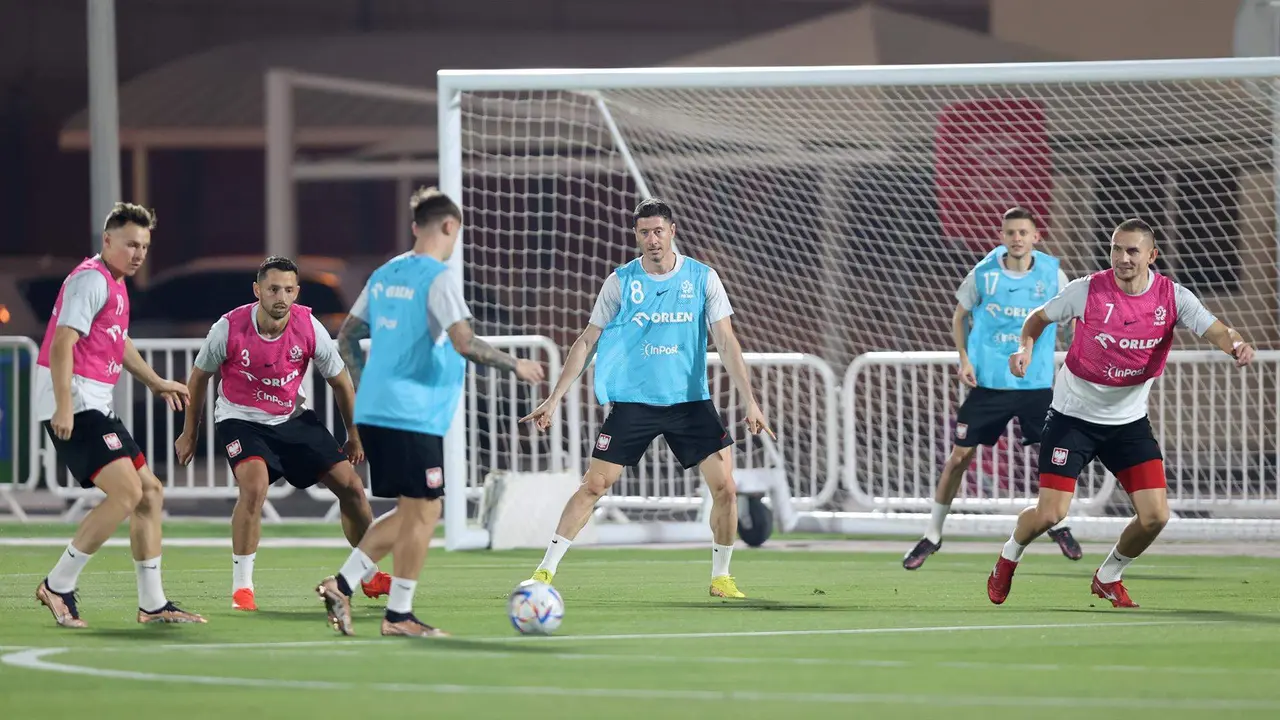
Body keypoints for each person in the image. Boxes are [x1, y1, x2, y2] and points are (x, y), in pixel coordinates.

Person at [988, 218, 1255, 607]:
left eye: (1132, 250)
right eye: (1116, 248)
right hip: (1071, 418)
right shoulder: (1087, 290)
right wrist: (1025, 348)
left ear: (1152, 255)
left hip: (1126, 423)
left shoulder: (1172, 297)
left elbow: (1216, 329)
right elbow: (1037, 319)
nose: (1123, 257)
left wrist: (1236, 344)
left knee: (1155, 517)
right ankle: (1009, 556)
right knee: (1049, 515)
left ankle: (1108, 575)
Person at [316, 186, 544, 638]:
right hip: (412, 413)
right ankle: (397, 614)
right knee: (427, 509)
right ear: (449, 227)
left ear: (416, 227)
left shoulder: (384, 274)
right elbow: (465, 342)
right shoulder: (437, 278)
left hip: (378, 410)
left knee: (415, 510)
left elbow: (347, 337)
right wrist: (514, 363)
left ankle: (342, 584)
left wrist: (369, 385)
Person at [521, 197, 774, 599]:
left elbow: (726, 340)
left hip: (689, 403)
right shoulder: (621, 281)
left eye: (658, 231)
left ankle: (722, 577)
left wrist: (751, 401)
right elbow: (587, 341)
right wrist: (554, 398)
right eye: (644, 233)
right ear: (636, 236)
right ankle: (543, 572)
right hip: (634, 403)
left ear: (672, 231)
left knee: (725, 487)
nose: (652, 239)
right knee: (594, 486)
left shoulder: (702, 278)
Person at [175, 256, 391, 611]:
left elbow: (340, 382)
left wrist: (353, 433)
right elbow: (199, 377)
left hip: (291, 418)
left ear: (297, 292)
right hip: (240, 419)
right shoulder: (228, 327)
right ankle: (242, 588)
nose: (281, 297)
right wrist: (190, 434)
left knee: (351, 487)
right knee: (255, 487)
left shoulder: (309, 326)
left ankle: (367, 576)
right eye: (273, 289)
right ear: (257, 290)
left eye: (288, 290)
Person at [34, 202, 205, 628]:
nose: (138, 253)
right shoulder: (90, 279)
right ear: (107, 241)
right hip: (76, 400)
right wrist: (64, 406)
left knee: (149, 492)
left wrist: (156, 381)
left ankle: (153, 604)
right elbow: (60, 344)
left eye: (144, 245)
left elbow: (119, 341)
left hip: (95, 403)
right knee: (127, 493)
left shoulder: (116, 283)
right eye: (131, 244)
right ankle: (58, 584)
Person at [903, 207, 1083, 570]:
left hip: (1034, 385)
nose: (1017, 238)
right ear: (1002, 236)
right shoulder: (984, 274)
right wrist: (964, 359)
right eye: (1010, 232)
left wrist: (1071, 339)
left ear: (1036, 236)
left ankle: (1058, 524)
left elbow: (1070, 316)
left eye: (1023, 232)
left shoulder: (1053, 275)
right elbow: (959, 314)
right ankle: (933, 535)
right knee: (958, 459)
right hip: (990, 386)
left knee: (1054, 456)